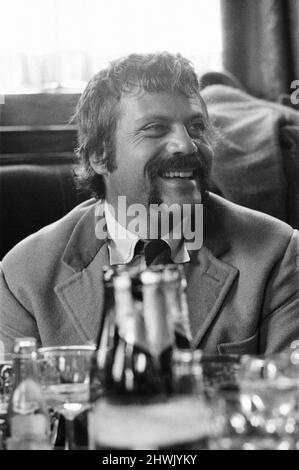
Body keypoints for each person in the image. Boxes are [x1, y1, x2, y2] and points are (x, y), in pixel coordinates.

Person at [0, 52, 299, 355]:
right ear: (99, 156)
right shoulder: (22, 277)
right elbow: (20, 399)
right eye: (155, 128)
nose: (186, 144)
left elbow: (290, 391)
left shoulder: (277, 253)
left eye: (195, 127)